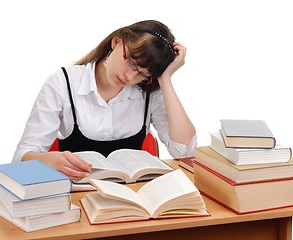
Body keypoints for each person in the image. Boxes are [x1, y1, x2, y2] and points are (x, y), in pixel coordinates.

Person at [12, 20, 197, 181]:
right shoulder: (64, 82)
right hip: (77, 200)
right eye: (131, 62)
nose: (129, 76)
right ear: (116, 42)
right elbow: (21, 157)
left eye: (142, 74)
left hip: (132, 200)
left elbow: (184, 151)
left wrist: (165, 78)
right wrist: (47, 160)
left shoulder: (148, 91)